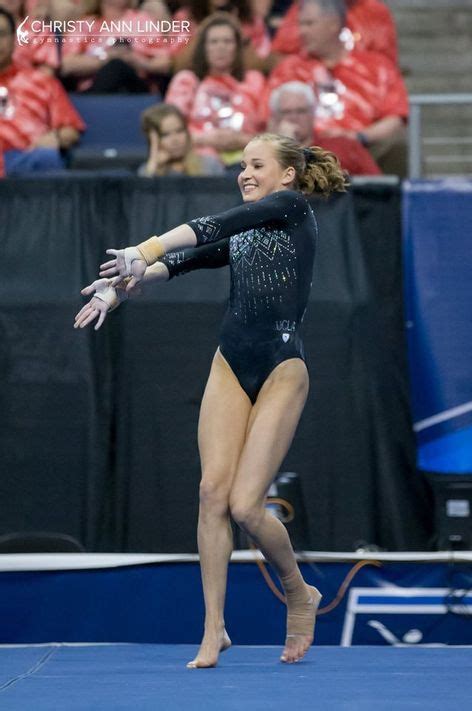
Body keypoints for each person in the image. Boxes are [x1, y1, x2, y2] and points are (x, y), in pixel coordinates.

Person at [74, 132, 347, 667]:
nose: (244, 173)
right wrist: (123, 282)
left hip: (281, 368)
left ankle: (298, 590)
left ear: (287, 174)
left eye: (256, 165)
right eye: (241, 165)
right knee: (210, 494)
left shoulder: (290, 208)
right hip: (231, 362)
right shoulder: (248, 230)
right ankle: (214, 628)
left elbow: (211, 226)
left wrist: (144, 248)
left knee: (247, 506)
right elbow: (184, 261)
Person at [266, 0, 408, 174]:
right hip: (306, 151)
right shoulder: (289, 69)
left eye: (309, 23)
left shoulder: (377, 66)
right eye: (300, 24)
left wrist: (360, 137)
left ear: (333, 24)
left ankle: (393, 199)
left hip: (365, 147)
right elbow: (269, 118)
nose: (301, 31)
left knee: (398, 144)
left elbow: (396, 118)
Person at [166, 13, 266, 166]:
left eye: (227, 41)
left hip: (249, 158)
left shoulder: (254, 81)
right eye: (214, 42)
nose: (221, 47)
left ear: (237, 47)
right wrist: (205, 139)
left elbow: (271, 130)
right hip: (198, 159)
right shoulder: (186, 81)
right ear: (203, 48)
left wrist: (242, 140)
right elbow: (168, 131)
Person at [0, 7, 84, 175]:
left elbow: (71, 129)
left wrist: (56, 138)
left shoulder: (43, 82)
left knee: (47, 157)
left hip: (24, 160)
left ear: (14, 39)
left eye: (1, 34)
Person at [269, 81, 381, 175]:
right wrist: (286, 148)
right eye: (286, 112)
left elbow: (380, 189)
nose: (294, 118)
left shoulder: (344, 146)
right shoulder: (266, 156)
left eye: (301, 111)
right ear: (275, 118)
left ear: (313, 114)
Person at [271, 0, 399, 65]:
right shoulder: (307, 8)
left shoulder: (375, 12)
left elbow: (386, 66)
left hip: (362, 90)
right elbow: (278, 57)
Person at [139, 103, 224, 177]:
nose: (175, 140)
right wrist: (155, 167)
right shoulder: (147, 171)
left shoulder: (210, 166)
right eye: (165, 135)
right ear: (153, 140)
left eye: (180, 131)